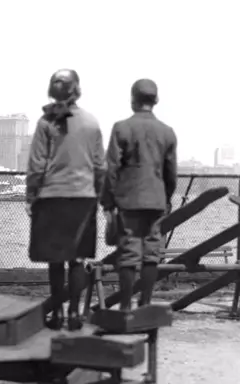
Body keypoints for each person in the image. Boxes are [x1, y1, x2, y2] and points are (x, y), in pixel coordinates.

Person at [26, 69, 106, 331]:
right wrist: (100, 198)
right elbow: (99, 166)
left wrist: (31, 196)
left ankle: (57, 314)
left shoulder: (45, 122)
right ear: (77, 89)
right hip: (83, 198)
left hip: (52, 197)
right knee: (79, 258)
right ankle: (74, 313)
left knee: (55, 260)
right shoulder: (92, 123)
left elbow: (37, 164)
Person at [101, 79, 178, 311]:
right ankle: (145, 304)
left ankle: (125, 307)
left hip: (129, 201)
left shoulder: (121, 128)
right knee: (151, 254)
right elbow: (170, 174)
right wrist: (165, 198)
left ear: (133, 99)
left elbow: (111, 169)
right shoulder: (167, 132)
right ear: (155, 101)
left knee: (128, 254)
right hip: (155, 201)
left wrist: (107, 202)